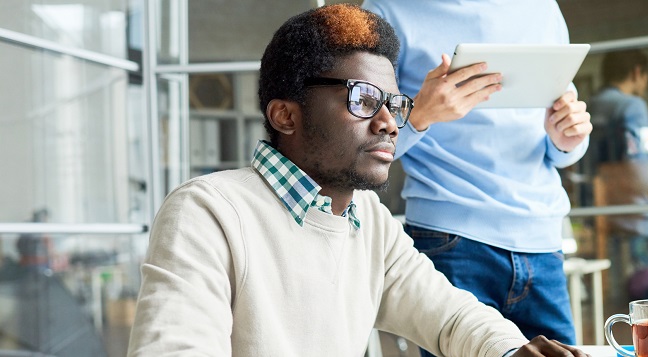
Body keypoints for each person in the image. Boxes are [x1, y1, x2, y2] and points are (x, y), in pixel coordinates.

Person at [126, 4, 590, 357]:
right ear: (285, 115)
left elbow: (453, 317)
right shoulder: (208, 212)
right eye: (364, 99)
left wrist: (511, 352)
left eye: (395, 102)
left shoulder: (366, 219)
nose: (391, 122)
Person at [361, 0, 592, 349]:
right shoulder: (388, 9)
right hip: (450, 241)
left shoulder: (542, 8)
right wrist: (420, 114)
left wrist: (568, 140)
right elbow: (360, 141)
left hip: (542, 240)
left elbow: (561, 148)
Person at [585, 49, 648, 302]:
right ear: (637, 72)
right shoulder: (632, 106)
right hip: (632, 211)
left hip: (594, 211)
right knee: (644, 295)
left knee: (607, 293)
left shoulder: (589, 104)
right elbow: (636, 160)